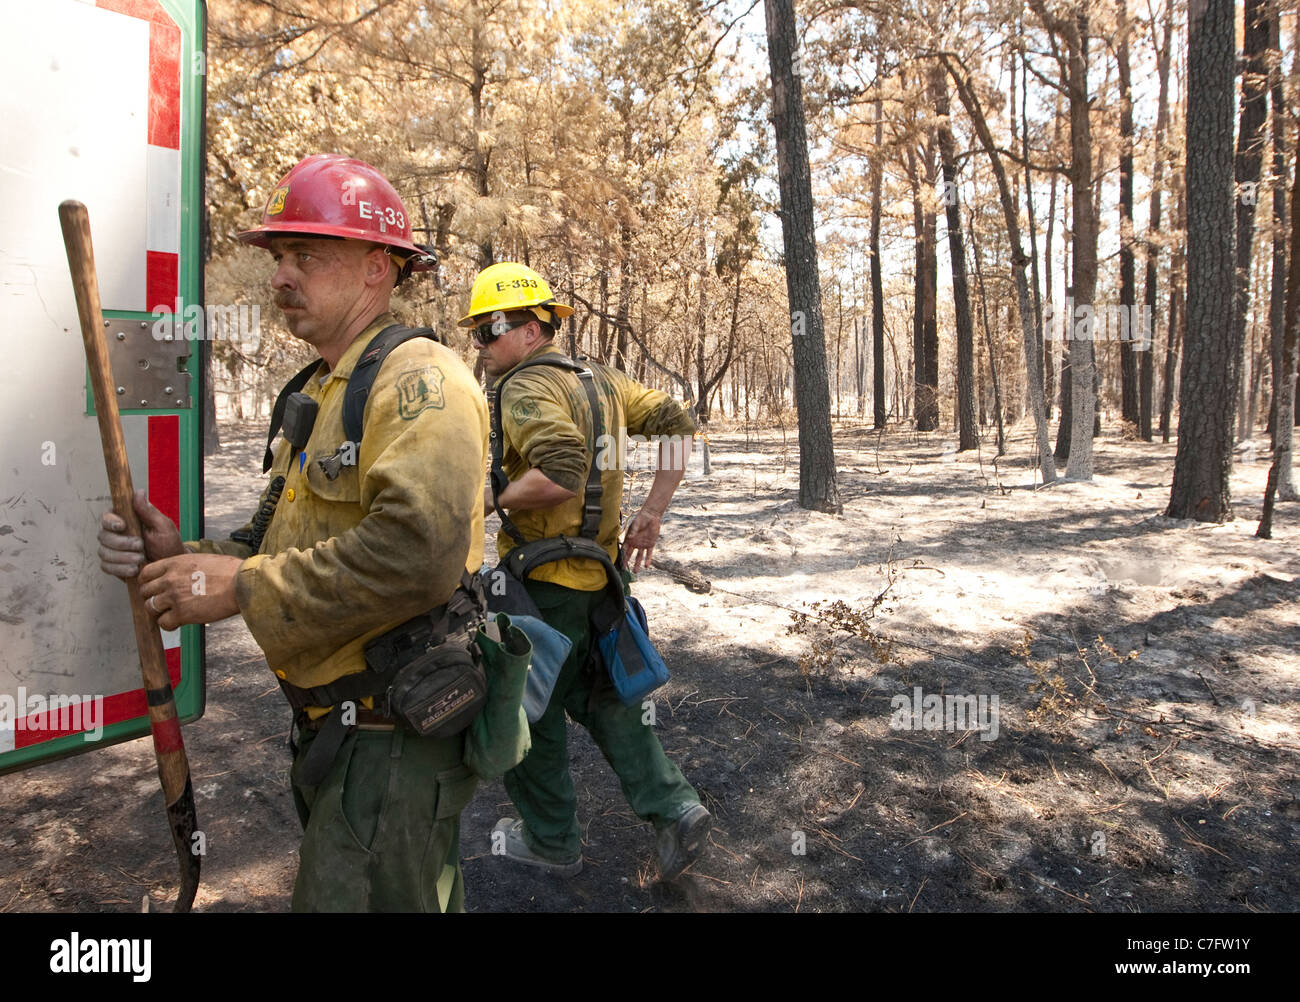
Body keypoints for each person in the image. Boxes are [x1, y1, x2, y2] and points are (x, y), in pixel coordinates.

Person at [96, 154, 493, 912]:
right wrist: (184, 557)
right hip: (332, 731)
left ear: (376, 267)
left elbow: (418, 555)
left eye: (306, 255)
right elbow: (271, 542)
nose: (280, 276)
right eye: (279, 256)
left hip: (394, 736)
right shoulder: (317, 390)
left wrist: (239, 588)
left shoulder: (422, 379)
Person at [463, 261, 711, 880]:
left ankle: (550, 841)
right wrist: (652, 510)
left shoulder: (522, 387)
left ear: (531, 329)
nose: (482, 344)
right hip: (602, 583)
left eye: (490, 329)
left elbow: (561, 471)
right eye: (476, 332)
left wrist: (489, 499)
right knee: (606, 702)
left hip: (540, 591)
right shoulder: (602, 380)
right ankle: (675, 808)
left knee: (526, 711)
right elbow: (679, 424)